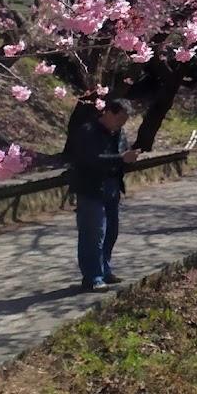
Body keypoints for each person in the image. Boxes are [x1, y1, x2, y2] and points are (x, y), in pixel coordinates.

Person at [69, 99, 140, 292]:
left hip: (112, 188)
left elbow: (120, 156)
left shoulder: (119, 133)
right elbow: (90, 160)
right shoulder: (88, 131)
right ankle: (92, 276)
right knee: (93, 233)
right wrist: (120, 158)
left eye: (124, 121)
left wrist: (128, 159)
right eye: (119, 119)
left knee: (111, 231)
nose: (121, 124)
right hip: (91, 189)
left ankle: (104, 268)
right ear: (108, 112)